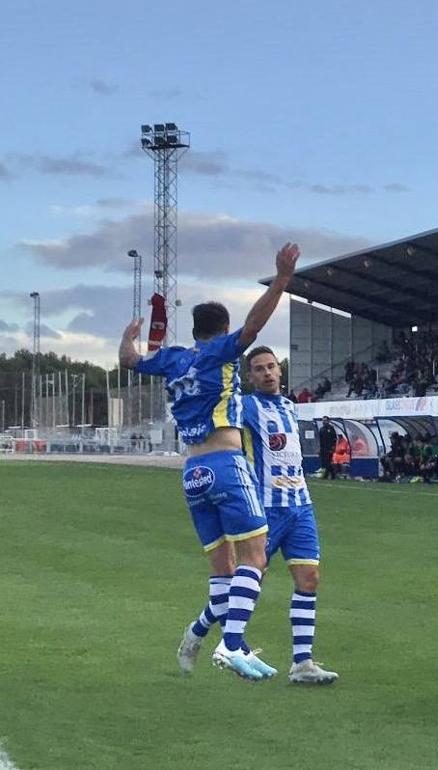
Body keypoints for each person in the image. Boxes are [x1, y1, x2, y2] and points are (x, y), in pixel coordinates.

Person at [124, 242, 299, 681]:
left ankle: (198, 633)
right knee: (255, 558)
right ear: (220, 329)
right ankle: (232, 645)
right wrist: (282, 279)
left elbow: (128, 360)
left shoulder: (173, 360)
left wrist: (129, 335)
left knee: (223, 571)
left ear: (194, 326)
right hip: (225, 462)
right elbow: (255, 324)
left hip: (192, 473)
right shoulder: (220, 352)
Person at [239, 346, 339, 684]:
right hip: (266, 508)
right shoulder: (246, 407)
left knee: (309, 579)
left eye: (271, 367)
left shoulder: (289, 407)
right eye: (258, 369)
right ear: (249, 376)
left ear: (280, 371)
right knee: (251, 580)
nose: (266, 373)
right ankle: (230, 644)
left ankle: (302, 664)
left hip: (301, 507)